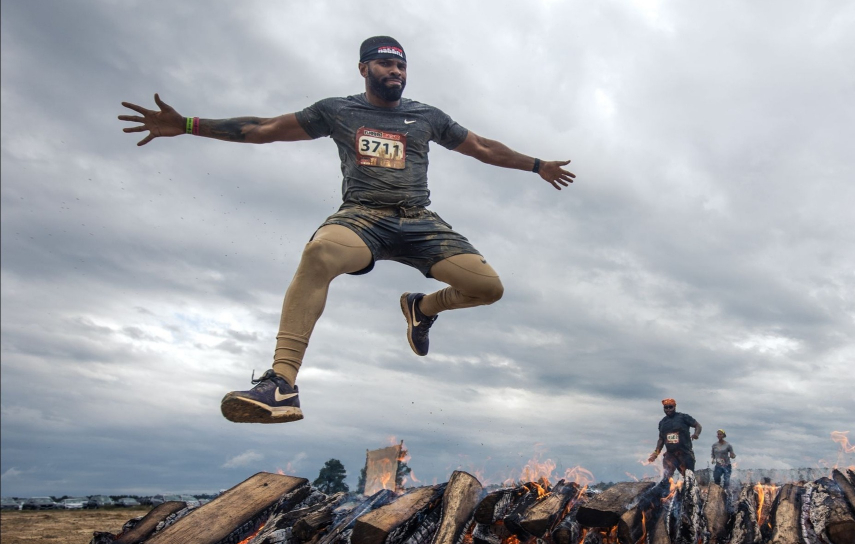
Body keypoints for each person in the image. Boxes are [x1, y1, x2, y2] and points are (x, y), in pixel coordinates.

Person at [119, 36, 576, 424]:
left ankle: (422, 307)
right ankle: (280, 385)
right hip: (363, 216)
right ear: (364, 68)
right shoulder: (337, 111)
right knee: (319, 254)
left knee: (488, 287)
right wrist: (188, 124)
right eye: (385, 63)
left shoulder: (427, 116)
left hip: (419, 221)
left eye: (400, 65)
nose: (395, 71)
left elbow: (481, 147)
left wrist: (536, 165)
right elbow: (264, 129)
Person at [648, 398, 702, 481]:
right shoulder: (662, 422)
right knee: (667, 477)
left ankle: (687, 491)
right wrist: (655, 453)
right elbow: (661, 439)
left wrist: (696, 434)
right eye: (666, 407)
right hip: (670, 454)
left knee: (689, 478)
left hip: (685, 453)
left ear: (674, 407)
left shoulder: (683, 417)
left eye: (670, 407)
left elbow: (698, 426)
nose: (668, 409)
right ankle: (666, 492)